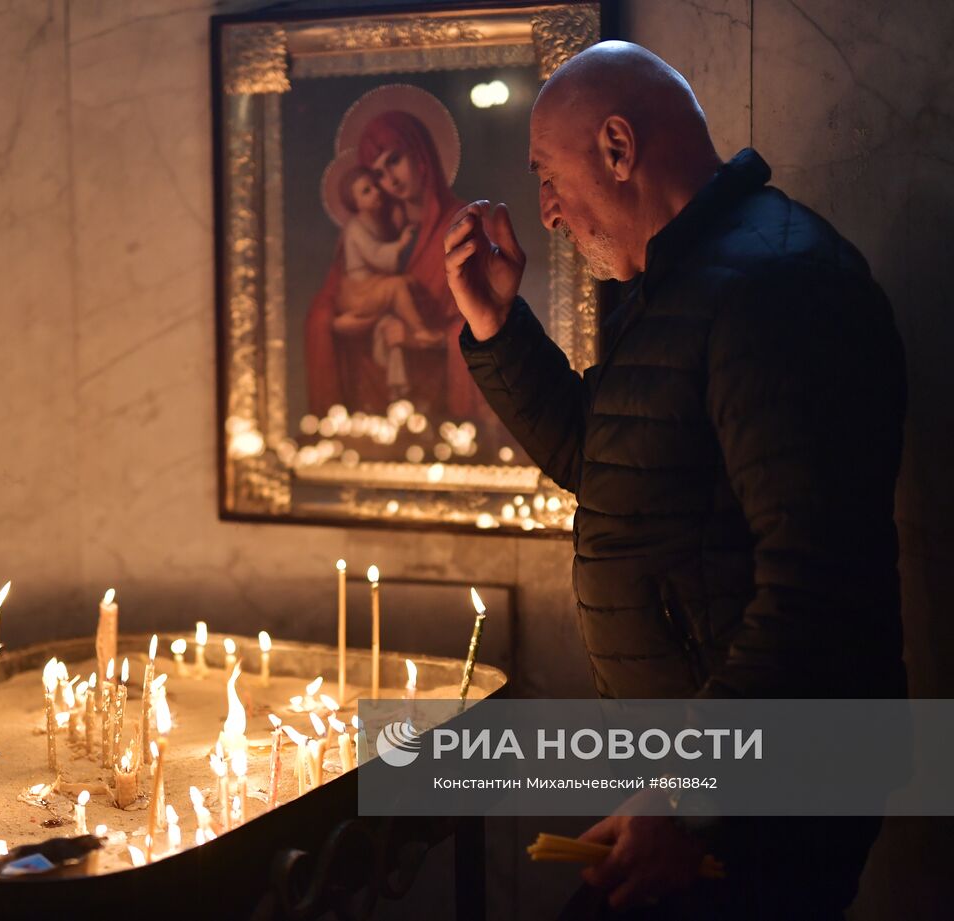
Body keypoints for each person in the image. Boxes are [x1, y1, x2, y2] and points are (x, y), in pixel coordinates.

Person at [444, 41, 907, 919]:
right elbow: (609, 459)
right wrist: (498, 325)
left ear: (618, 147)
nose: (544, 213)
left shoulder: (774, 285)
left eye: (548, 175)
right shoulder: (687, 282)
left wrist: (688, 794)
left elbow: (817, 582)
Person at [306, 104, 488, 419]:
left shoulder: (466, 225)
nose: (389, 179)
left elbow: (485, 322)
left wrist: (422, 338)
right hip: (373, 405)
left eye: (394, 160)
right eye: (377, 174)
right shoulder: (375, 230)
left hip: (443, 412)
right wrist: (340, 325)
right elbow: (324, 311)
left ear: (421, 154)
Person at [331, 163, 444, 348]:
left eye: (375, 186)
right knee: (397, 286)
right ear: (355, 203)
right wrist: (400, 244)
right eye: (366, 191)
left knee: (409, 283)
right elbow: (375, 255)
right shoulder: (355, 227)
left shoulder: (375, 220)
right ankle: (420, 331)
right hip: (359, 290)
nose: (376, 191)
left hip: (371, 284)